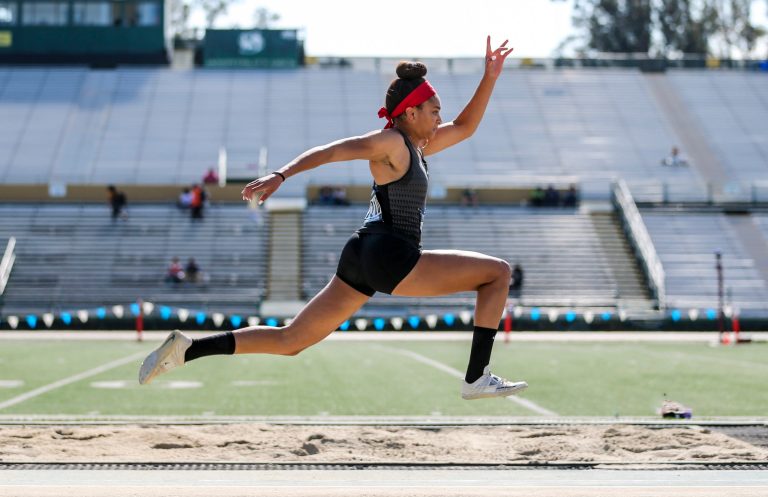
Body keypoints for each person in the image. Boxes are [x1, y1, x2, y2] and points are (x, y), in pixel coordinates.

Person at [139, 37, 527, 401]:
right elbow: (333, 151)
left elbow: (465, 127)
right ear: (411, 112)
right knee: (497, 274)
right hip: (391, 254)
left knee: (291, 340)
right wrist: (282, 175)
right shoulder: (391, 142)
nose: (440, 117)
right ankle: (477, 376)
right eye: (434, 110)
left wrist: (489, 77)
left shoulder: (416, 145)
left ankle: (188, 349)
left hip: (363, 253)